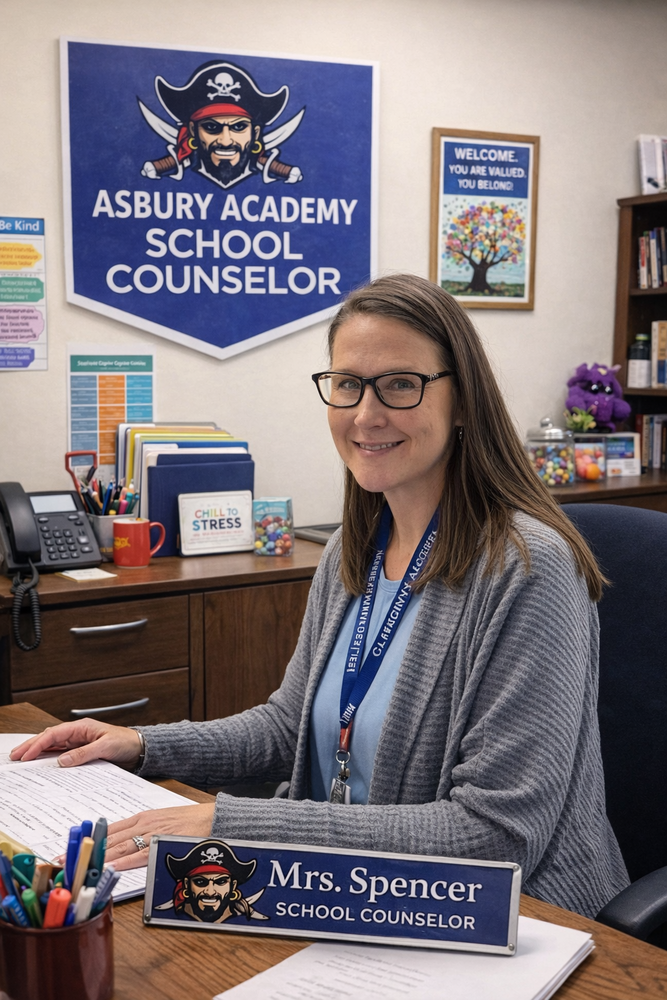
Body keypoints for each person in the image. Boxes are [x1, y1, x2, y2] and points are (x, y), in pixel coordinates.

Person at [11, 273, 629, 919]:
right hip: (355, 893)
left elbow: (494, 835)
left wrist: (230, 823)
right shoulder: (350, 552)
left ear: (464, 400)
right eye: (346, 384)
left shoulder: (528, 570)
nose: (365, 415)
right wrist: (142, 746)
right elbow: (289, 727)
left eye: (399, 383)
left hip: (514, 919)